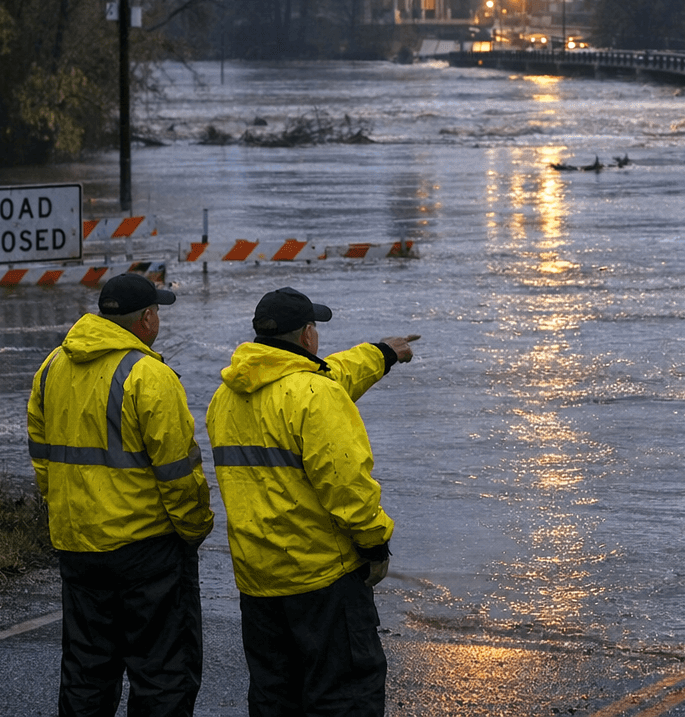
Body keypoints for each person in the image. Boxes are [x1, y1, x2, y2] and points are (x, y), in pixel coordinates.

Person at [206, 287, 418, 717]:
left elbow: (324, 375)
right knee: (344, 695)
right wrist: (375, 544)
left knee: (275, 695)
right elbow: (347, 488)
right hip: (322, 579)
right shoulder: (316, 396)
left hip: (258, 579)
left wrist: (381, 354)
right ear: (307, 335)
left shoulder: (224, 397)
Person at [27, 272, 213, 717]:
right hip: (145, 551)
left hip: (77, 545)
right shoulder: (149, 374)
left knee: (86, 671)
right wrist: (193, 531)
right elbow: (179, 473)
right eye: (157, 313)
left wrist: (64, 510)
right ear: (147, 318)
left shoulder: (53, 365)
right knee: (162, 672)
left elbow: (41, 453)